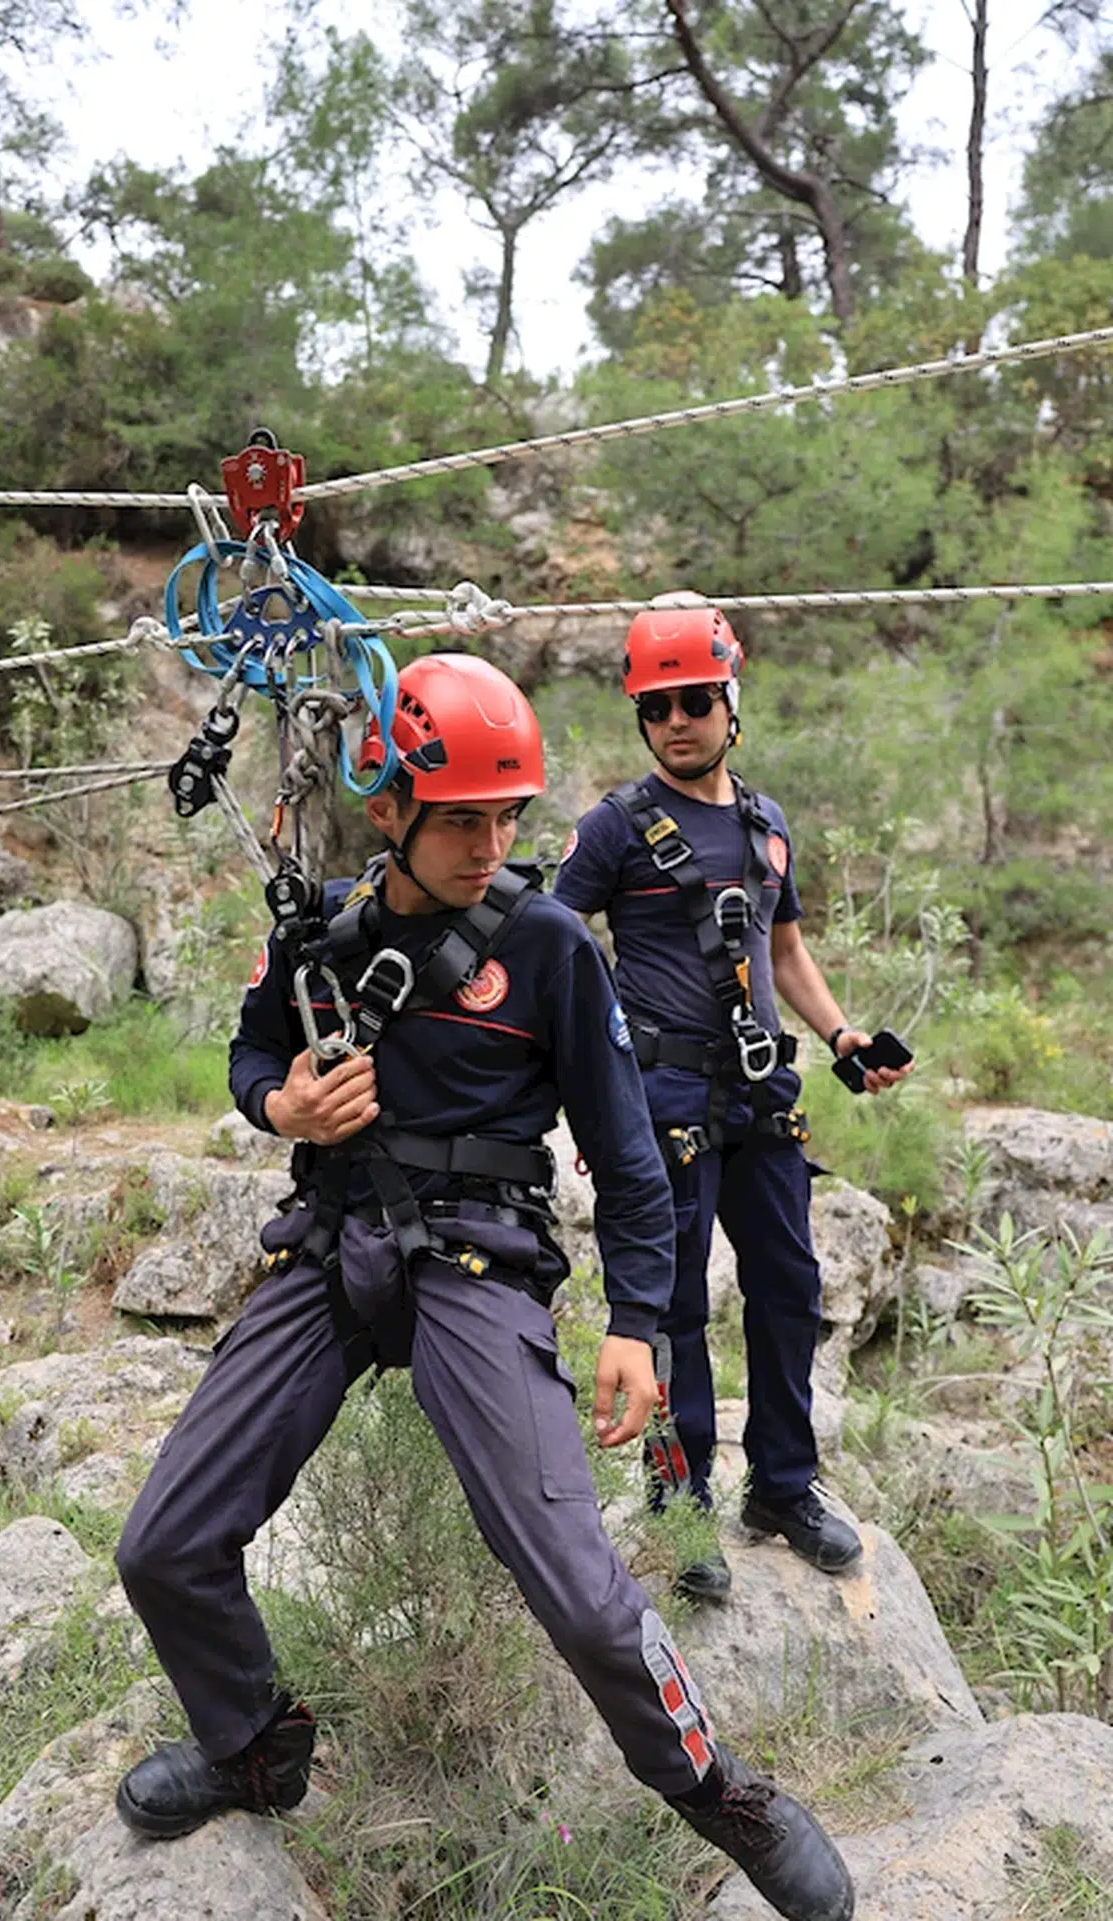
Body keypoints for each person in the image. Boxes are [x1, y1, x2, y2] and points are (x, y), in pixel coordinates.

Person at [113, 653, 854, 1921]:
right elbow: (250, 1050)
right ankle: (250, 1746)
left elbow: (626, 1156)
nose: (488, 840)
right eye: (462, 815)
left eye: (506, 814)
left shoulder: (550, 944)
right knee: (162, 1544)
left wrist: (635, 1327)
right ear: (391, 805)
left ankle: (719, 1790)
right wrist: (280, 1101)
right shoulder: (324, 930)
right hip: (333, 1239)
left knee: (573, 1580)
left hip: (475, 1262)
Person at [552, 607, 911, 1601]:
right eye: (655, 705)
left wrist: (840, 1034)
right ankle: (678, 1507)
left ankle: (781, 1488)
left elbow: (783, 948)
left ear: (728, 702)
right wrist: (579, 1078)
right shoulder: (615, 829)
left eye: (693, 701)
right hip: (658, 1094)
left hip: (761, 1092)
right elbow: (543, 933)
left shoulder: (764, 822)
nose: (675, 720)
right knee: (668, 1307)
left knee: (788, 1287)